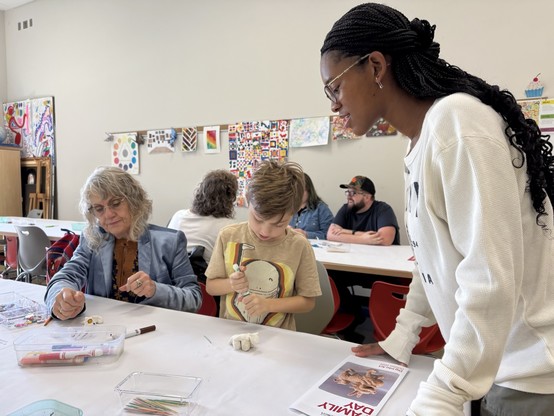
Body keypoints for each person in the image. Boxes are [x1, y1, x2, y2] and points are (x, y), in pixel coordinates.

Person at [321, 3, 554, 416]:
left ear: (375, 66)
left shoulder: (457, 123)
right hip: (491, 365)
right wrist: (403, 336)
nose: (334, 105)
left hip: (529, 372)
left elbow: (489, 281)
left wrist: (443, 396)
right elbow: (432, 263)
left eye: (334, 87)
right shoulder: (418, 142)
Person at [44, 166, 202, 320]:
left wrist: (155, 289)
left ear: (134, 202)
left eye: (115, 203)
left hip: (156, 330)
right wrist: (62, 299)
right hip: (104, 328)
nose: (109, 214)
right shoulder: (93, 238)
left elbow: (194, 298)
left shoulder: (169, 242)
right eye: (99, 209)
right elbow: (66, 277)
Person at [205, 160, 321, 330]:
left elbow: (308, 302)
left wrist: (269, 305)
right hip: (231, 332)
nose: (265, 231)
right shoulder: (228, 236)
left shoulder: (299, 246)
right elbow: (210, 287)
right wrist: (231, 284)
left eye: (279, 224)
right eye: (258, 219)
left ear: (293, 214)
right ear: (247, 202)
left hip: (278, 336)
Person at [168, 169, 238, 263]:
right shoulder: (229, 227)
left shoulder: (178, 215)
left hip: (171, 274)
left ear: (201, 190)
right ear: (230, 198)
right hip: (206, 275)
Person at [328, 175, 399, 245]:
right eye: (348, 192)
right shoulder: (346, 208)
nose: (348, 196)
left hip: (383, 255)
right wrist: (362, 239)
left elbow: (384, 239)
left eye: (353, 193)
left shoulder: (383, 210)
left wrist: (346, 232)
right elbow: (330, 235)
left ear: (367, 197)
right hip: (355, 255)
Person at [288, 172, 334, 240]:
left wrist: (306, 234)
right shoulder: (286, 208)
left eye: (301, 190)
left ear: (309, 190)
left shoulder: (321, 209)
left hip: (314, 248)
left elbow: (329, 235)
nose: (297, 193)